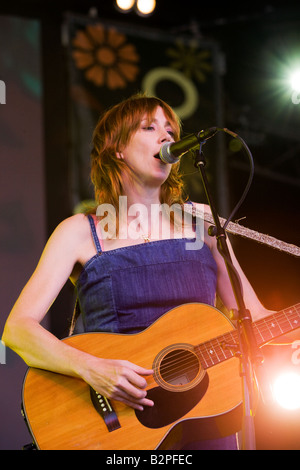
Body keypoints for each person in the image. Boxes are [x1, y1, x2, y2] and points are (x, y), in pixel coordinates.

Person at [2, 93, 273, 450]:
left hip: (206, 419)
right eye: (149, 127)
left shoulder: (202, 221)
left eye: (171, 131)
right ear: (116, 150)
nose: (167, 138)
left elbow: (253, 316)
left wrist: (291, 338)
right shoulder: (80, 231)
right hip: (117, 425)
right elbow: (17, 330)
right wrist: (92, 368)